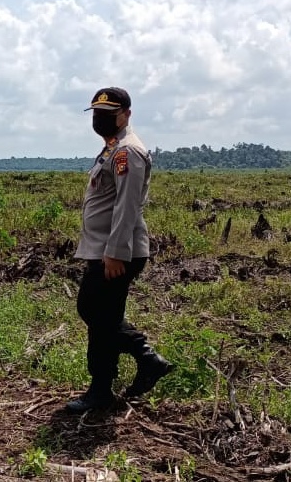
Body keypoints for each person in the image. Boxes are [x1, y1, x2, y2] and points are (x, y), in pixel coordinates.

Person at [66, 88, 173, 413]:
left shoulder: (129, 152)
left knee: (100, 317)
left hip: (115, 253)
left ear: (126, 113)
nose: (100, 118)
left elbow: (127, 206)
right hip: (104, 250)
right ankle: (145, 359)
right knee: (97, 313)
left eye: (108, 112)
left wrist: (115, 252)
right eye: (96, 113)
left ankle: (102, 390)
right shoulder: (112, 149)